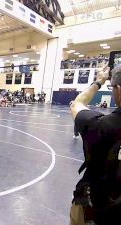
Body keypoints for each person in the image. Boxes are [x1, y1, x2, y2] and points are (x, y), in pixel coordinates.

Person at [69, 65, 121, 225]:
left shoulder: (101, 126)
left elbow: (77, 103)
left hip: (97, 209)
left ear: (118, 90)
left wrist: (98, 82)